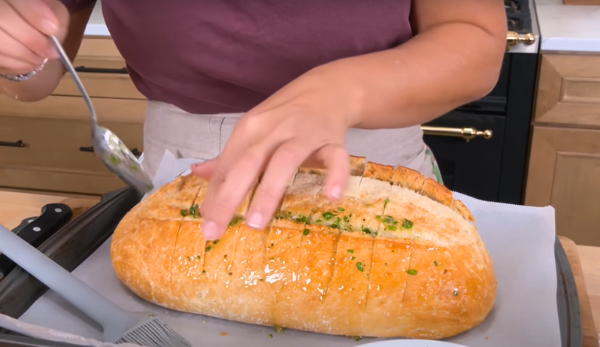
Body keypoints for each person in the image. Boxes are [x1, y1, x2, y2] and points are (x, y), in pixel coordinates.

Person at [0, 0, 507, 241]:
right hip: (180, 173)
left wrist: (340, 91)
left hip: (379, 167)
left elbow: (475, 41)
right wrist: (16, 45)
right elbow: (37, 72)